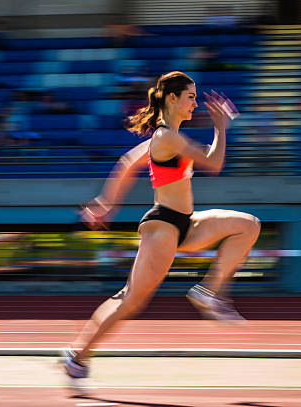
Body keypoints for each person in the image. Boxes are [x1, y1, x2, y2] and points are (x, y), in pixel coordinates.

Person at [61, 71, 261, 391]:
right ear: (172, 98)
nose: (195, 103)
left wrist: (106, 202)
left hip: (188, 222)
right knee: (130, 302)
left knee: (248, 225)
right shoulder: (167, 137)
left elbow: (128, 162)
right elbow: (214, 162)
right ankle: (78, 356)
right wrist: (221, 128)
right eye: (190, 97)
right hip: (163, 225)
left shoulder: (165, 137)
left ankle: (209, 292)